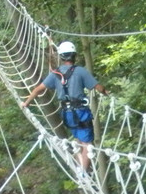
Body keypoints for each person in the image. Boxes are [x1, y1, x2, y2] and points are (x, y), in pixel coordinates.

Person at [21, 40, 108, 174]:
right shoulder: (80, 71)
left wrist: (26, 102)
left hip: (67, 114)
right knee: (88, 144)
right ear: (74, 55)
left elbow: (38, 89)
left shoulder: (55, 74)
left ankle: (82, 167)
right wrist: (105, 92)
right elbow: (98, 87)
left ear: (61, 57)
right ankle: (83, 172)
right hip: (81, 112)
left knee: (79, 140)